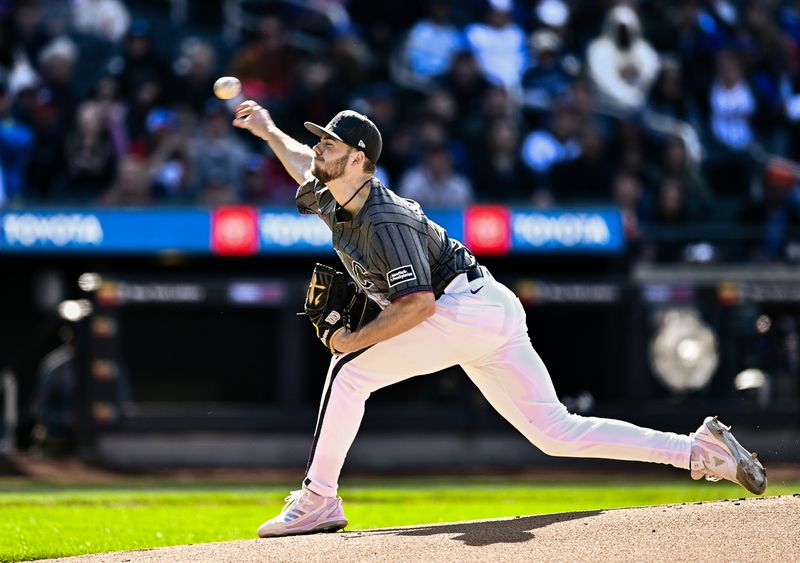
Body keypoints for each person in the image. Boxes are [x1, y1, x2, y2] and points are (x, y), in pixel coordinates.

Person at [232, 101, 768, 538]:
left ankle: (319, 498)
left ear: (358, 160)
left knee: (349, 372)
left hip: (457, 307)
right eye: (322, 140)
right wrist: (268, 129)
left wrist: (353, 340)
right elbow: (303, 163)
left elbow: (418, 305)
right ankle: (699, 452)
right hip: (488, 307)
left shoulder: (383, 218)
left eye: (330, 143)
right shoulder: (336, 193)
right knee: (556, 432)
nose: (320, 148)